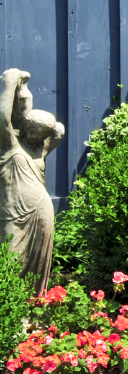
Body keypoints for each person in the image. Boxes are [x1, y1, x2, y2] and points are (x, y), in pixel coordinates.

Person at [0, 69, 62, 294]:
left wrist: (24, 89)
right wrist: (11, 85)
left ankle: (32, 310)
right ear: (25, 127)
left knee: (38, 263)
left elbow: (59, 131)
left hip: (40, 210)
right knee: (10, 261)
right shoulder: (9, 145)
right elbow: (3, 118)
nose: (36, 134)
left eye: (40, 131)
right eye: (33, 129)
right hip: (12, 214)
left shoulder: (40, 150)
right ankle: (8, 314)